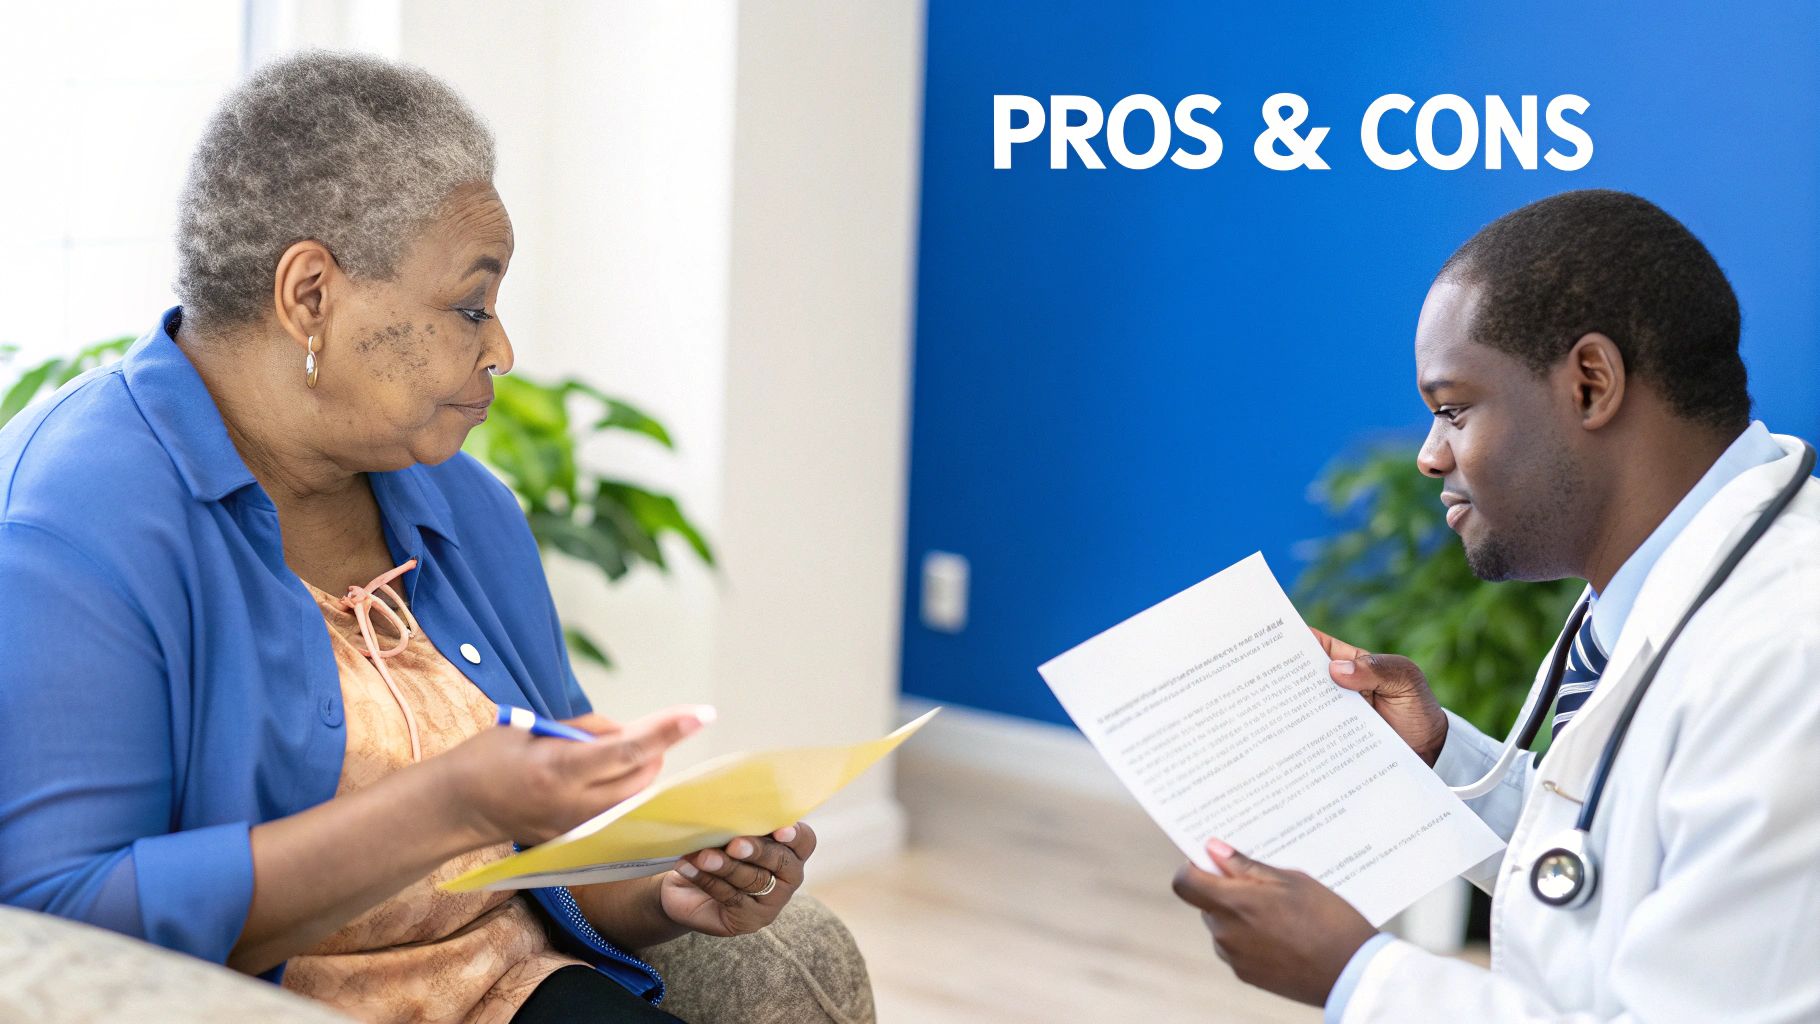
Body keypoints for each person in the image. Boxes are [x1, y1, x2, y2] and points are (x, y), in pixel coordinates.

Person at [0, 52, 821, 1024]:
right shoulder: (71, 520)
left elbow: (550, 862)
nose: (501, 351)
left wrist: (660, 890)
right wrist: (449, 804)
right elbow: (56, 930)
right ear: (310, 296)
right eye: (471, 305)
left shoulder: (462, 502)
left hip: (511, 991)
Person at [1170, 190, 1820, 1021]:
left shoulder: (1788, 656)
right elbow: (1612, 865)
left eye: (1452, 409)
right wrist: (1441, 754)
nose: (1429, 456)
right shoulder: (1668, 582)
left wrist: (1355, 978)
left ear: (1590, 384)